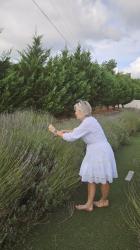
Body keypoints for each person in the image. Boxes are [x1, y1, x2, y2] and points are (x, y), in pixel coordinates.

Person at [48, 100, 118, 212]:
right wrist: (65, 131)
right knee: (91, 177)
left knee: (103, 178)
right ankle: (89, 204)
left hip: (100, 152)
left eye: (76, 110)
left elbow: (72, 137)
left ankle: (104, 201)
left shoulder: (88, 122)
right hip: (95, 150)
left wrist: (56, 132)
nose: (75, 112)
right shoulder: (88, 121)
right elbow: (78, 131)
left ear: (81, 111)